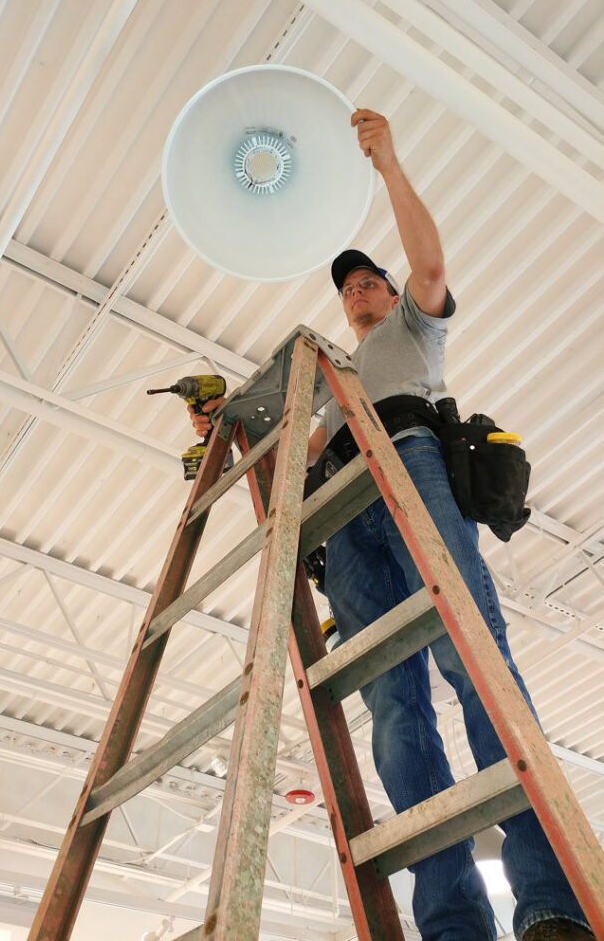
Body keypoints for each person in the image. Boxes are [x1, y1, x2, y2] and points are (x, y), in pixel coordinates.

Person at [187, 110, 594, 941]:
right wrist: (219, 437)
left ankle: (549, 903)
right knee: (394, 709)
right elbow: (283, 471)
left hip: (409, 461)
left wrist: (388, 164)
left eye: (367, 278)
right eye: (347, 288)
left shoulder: (414, 331)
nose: (357, 289)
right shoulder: (333, 383)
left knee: (468, 655)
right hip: (343, 513)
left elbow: (431, 263)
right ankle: (451, 926)